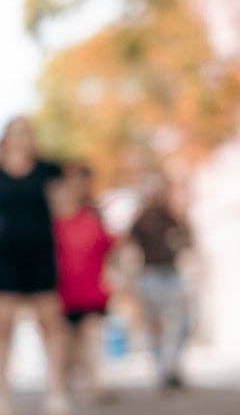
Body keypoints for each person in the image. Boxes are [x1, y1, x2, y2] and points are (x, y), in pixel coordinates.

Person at [0, 116, 68, 415]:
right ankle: (1, 396)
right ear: (4, 138)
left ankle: (56, 394)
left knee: (50, 324)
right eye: (16, 133)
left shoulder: (48, 169)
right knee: (1, 327)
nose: (22, 138)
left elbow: (66, 194)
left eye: (27, 133)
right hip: (4, 254)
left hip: (41, 253)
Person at [53, 163, 115, 402]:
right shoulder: (50, 222)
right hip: (59, 294)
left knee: (91, 339)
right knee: (66, 347)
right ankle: (66, 385)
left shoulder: (93, 216)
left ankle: (96, 384)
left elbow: (108, 247)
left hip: (91, 291)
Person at [129, 174, 193, 389]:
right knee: (154, 326)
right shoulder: (140, 219)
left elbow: (187, 240)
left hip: (171, 274)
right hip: (149, 276)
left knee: (179, 323)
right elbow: (128, 247)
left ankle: (170, 367)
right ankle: (163, 369)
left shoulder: (172, 216)